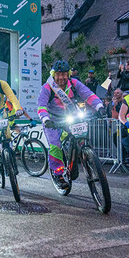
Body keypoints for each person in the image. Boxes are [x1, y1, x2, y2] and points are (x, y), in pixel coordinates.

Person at [37, 60, 106, 189]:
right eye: (58, 74)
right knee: (55, 145)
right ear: (53, 75)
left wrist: (99, 107)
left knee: (81, 138)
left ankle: (85, 157)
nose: (61, 78)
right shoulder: (47, 87)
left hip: (71, 116)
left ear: (68, 74)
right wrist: (46, 119)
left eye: (64, 74)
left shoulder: (74, 83)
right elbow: (41, 105)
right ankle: (58, 174)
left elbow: (88, 94)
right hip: (52, 120)